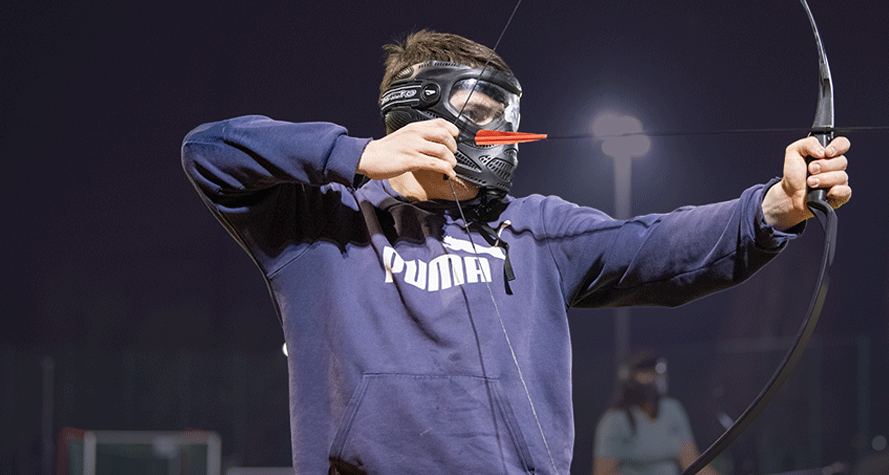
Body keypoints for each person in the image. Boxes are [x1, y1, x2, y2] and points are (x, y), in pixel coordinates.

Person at [181, 30, 851, 475]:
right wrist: (357, 157)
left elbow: (656, 249)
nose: (501, 132)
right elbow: (209, 151)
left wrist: (776, 207)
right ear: (417, 109)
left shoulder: (535, 230)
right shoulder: (320, 228)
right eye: (481, 110)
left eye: (508, 115)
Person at [593, 349, 719, 475]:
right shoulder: (614, 420)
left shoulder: (673, 410)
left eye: (654, 371)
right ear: (629, 377)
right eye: (645, 372)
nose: (652, 377)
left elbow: (691, 462)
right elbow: (604, 472)